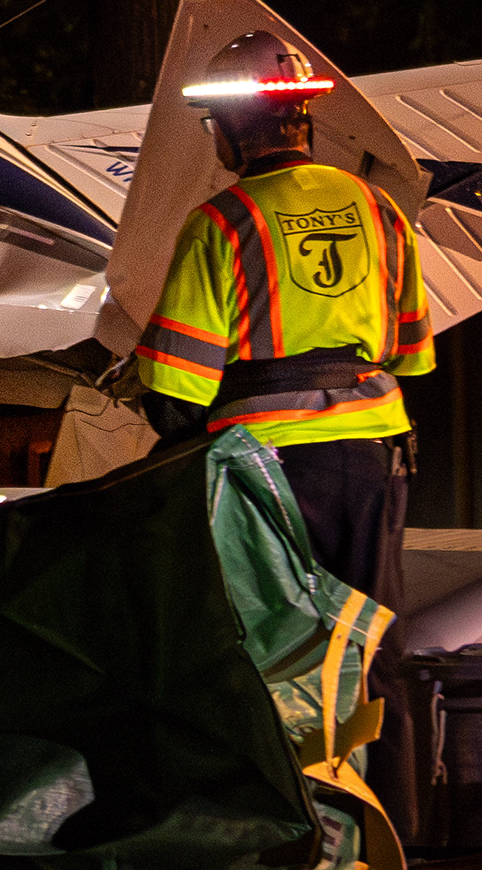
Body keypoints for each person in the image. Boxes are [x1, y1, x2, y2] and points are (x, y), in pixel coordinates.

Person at [128, 31, 433, 604]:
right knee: (365, 638)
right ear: (304, 118)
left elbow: (175, 399)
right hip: (375, 455)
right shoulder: (379, 208)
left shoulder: (221, 222)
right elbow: (412, 356)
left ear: (232, 128)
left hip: (267, 466)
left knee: (269, 643)